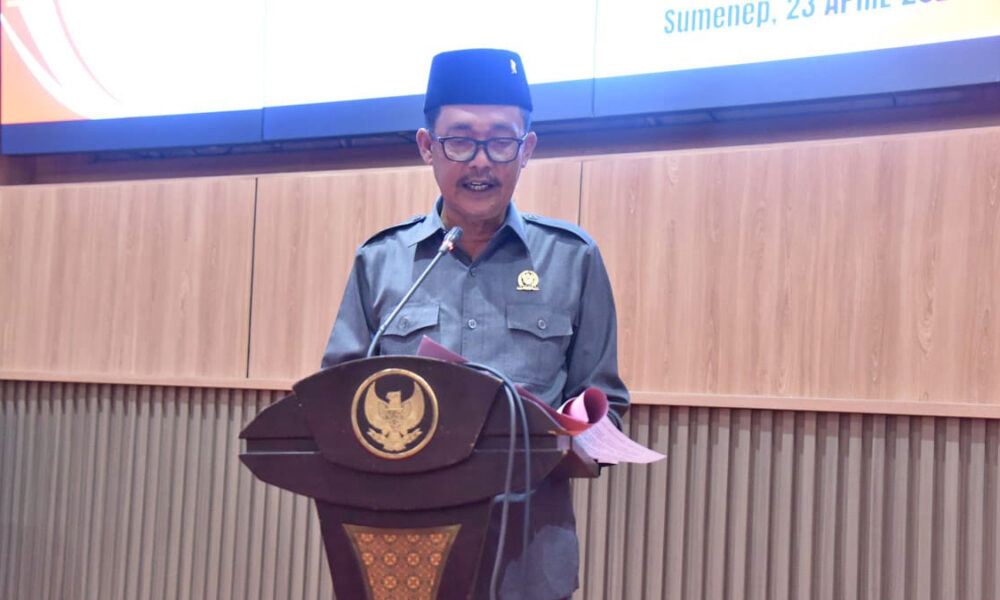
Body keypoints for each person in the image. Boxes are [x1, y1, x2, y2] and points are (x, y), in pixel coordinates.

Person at [321, 48, 629, 600]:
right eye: (460, 141)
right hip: (407, 555)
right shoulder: (381, 262)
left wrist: (573, 435)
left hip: (528, 561)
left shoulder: (572, 259)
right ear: (427, 147)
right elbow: (336, 403)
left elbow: (607, 403)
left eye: (501, 141)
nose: (481, 161)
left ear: (526, 150)